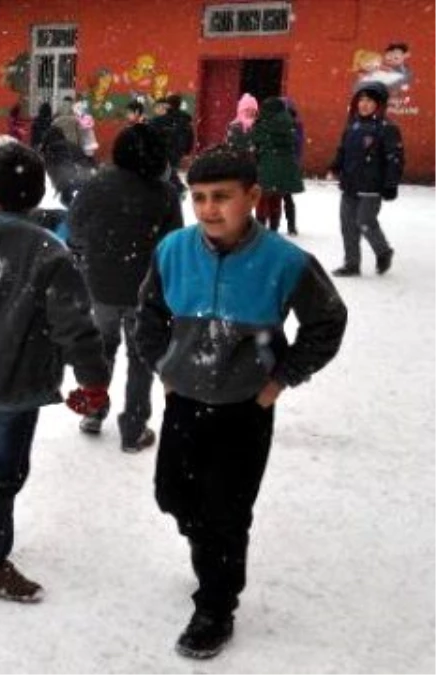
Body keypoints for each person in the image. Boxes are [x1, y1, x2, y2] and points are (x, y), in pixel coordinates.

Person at [135, 145, 347, 659]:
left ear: (252, 196)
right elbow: (147, 316)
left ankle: (216, 605)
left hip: (244, 411)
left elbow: (327, 322)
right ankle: (203, 539)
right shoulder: (172, 251)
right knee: (173, 495)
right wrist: (164, 369)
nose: (209, 209)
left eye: (222, 197)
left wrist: (279, 381)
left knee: (227, 513)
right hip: (184, 401)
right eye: (199, 197)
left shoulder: (286, 261)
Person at [0, 142, 111, 603]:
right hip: (16, 384)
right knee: (5, 468)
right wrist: (94, 380)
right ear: (37, 195)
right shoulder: (51, 254)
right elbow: (76, 326)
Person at [68, 123, 183, 450]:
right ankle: (133, 429)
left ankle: (93, 410)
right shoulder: (164, 194)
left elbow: (74, 226)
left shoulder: (97, 184)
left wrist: (96, 247)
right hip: (144, 291)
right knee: (141, 357)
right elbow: (174, 244)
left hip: (100, 285)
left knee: (101, 349)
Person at [328, 81, 403, 277]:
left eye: (369, 100)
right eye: (361, 100)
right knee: (347, 224)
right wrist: (336, 165)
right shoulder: (352, 125)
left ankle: (383, 251)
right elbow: (342, 150)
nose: (364, 104)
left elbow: (394, 158)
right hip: (350, 184)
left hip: (372, 186)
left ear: (379, 104)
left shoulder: (387, 128)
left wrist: (390, 184)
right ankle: (352, 264)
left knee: (364, 221)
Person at [250, 97, 304, 235]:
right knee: (278, 199)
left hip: (267, 167)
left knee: (263, 199)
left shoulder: (264, 124)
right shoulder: (289, 123)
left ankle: (260, 229)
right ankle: (274, 228)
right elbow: (296, 143)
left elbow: (255, 139)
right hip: (285, 169)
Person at [150, 94, 195, 198]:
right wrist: (186, 151)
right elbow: (190, 136)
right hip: (178, 150)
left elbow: (152, 132)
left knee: (165, 169)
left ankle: (177, 189)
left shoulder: (161, 120)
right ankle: (176, 189)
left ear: (168, 105)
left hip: (165, 149)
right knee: (169, 169)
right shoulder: (185, 120)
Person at [38, 127, 94, 208]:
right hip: (82, 178)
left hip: (66, 182)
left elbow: (53, 169)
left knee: (66, 201)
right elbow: (87, 161)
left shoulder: (49, 149)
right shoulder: (72, 145)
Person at [281, 98, 305, 235]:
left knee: (286, 197)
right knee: (275, 197)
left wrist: (295, 163)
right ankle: (271, 224)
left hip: (288, 165)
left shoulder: (296, 126)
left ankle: (291, 225)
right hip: (279, 164)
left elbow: (299, 145)